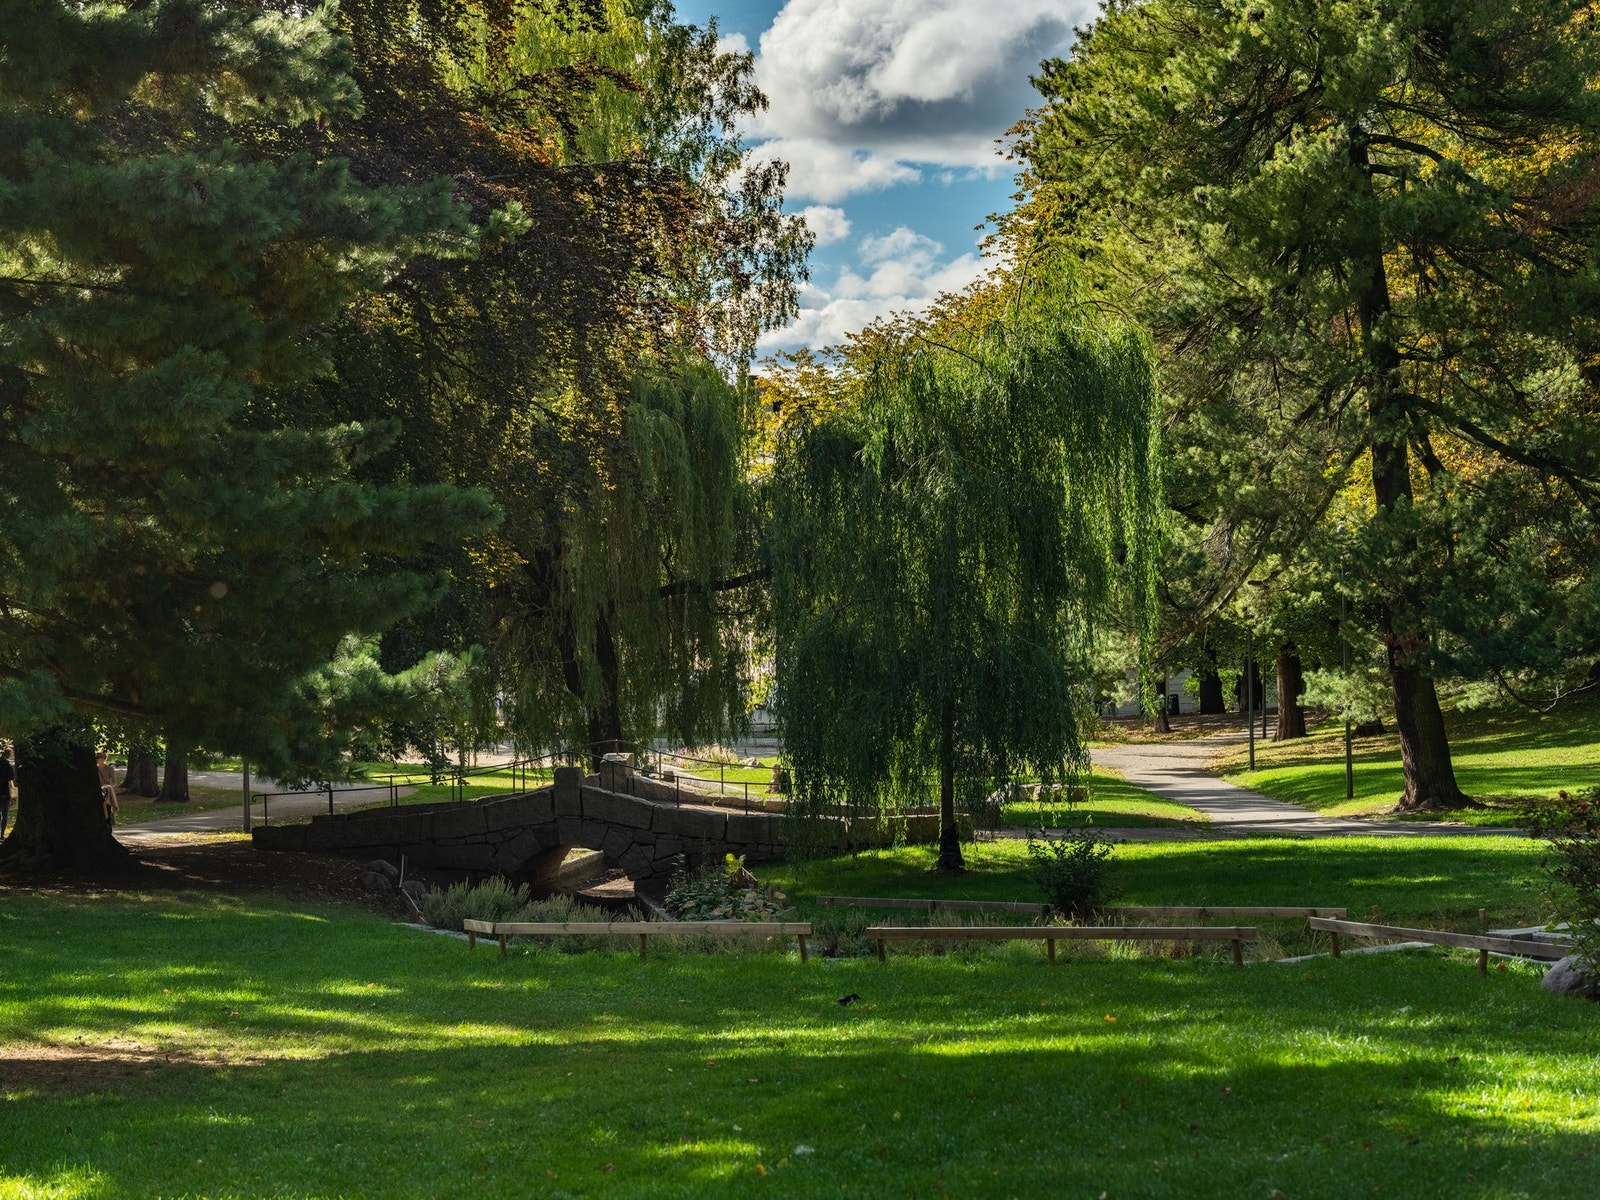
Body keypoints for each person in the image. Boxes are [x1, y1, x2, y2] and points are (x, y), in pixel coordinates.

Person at [97, 750, 118, 827]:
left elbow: (114, 781)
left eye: (99, 757)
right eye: (96, 757)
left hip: (107, 791)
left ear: (103, 758)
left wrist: (109, 787)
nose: (97, 759)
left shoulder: (109, 769)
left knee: (107, 806)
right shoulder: (95, 769)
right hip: (98, 790)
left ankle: (109, 822)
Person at [0, 746, 14, 839]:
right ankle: (1, 835)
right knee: (4, 815)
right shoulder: (6, 764)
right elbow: (11, 776)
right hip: (5, 791)